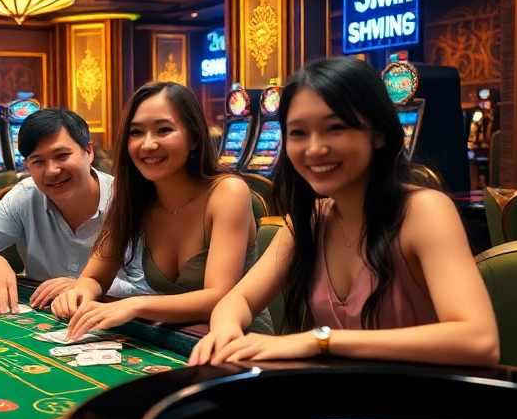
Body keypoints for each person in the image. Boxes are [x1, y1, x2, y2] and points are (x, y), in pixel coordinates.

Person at [188, 57, 499, 367]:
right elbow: (236, 300)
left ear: (378, 134)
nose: (314, 148)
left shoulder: (423, 211)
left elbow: (479, 341)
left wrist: (318, 341)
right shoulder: (310, 221)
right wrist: (227, 329)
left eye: (334, 128)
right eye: (298, 133)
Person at [54, 81, 273, 339]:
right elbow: (95, 276)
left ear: (193, 138)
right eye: (136, 133)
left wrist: (137, 305)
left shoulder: (228, 193)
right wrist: (81, 291)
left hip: (240, 341)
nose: (147, 144)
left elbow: (218, 296)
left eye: (163, 130)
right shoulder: (135, 197)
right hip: (174, 337)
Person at [0, 108, 147, 313]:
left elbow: (148, 287)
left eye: (62, 155)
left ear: (88, 152)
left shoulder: (129, 202)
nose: (52, 170)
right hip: (43, 320)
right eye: (38, 162)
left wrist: (85, 286)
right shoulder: (25, 197)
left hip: (116, 320)